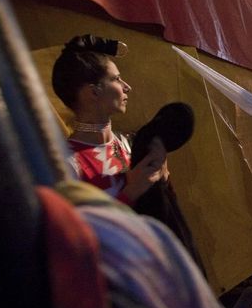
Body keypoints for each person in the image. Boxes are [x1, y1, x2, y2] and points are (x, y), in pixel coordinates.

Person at [52, 34, 168, 206]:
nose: (127, 87)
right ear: (93, 92)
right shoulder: (68, 164)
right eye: (116, 79)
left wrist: (161, 179)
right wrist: (130, 192)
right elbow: (83, 229)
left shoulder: (126, 144)